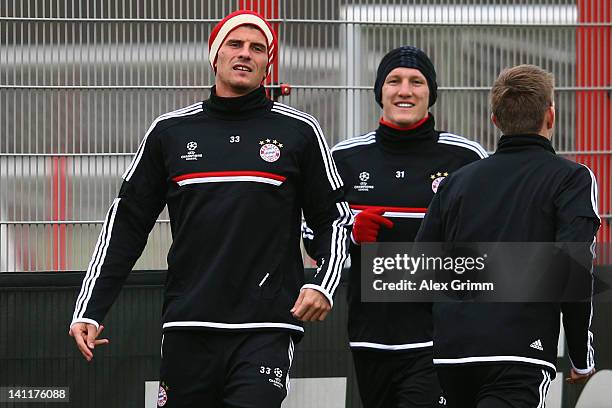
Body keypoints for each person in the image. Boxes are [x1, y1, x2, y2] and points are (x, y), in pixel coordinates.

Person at [69, 10, 351, 408]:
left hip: (266, 326)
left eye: (257, 48)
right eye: (234, 44)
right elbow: (126, 225)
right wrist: (90, 310)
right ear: (214, 56)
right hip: (188, 324)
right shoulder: (169, 132)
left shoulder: (300, 131)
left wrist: (323, 283)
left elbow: (334, 219)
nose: (245, 54)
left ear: (267, 63)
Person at [304, 46, 487, 408]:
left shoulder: (466, 158)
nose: (405, 90)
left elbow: (492, 246)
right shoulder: (344, 157)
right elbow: (312, 235)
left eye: (417, 82)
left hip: (440, 340)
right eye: (394, 81)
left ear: (430, 93)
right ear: (380, 91)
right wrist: (353, 232)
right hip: (370, 338)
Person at [415, 64, 600, 407]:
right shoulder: (572, 178)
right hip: (519, 353)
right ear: (551, 116)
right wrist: (580, 355)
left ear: (495, 120)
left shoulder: (457, 182)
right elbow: (574, 271)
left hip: (453, 355)